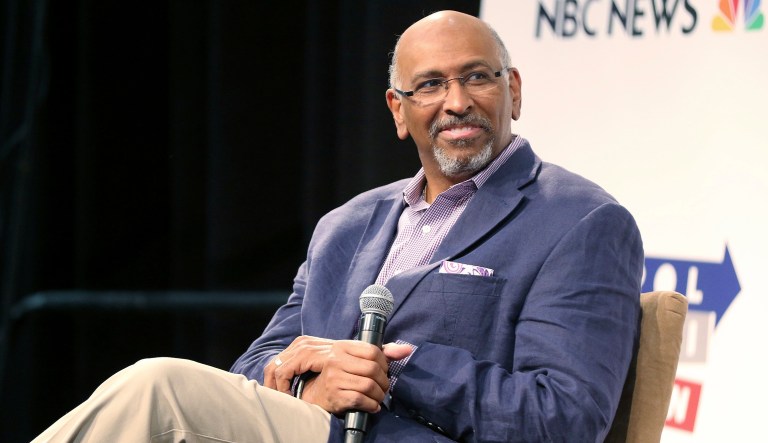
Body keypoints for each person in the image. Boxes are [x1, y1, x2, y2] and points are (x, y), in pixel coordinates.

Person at [33, 9, 643, 443]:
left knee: (160, 390)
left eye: (476, 76)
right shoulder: (348, 224)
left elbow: (563, 419)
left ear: (512, 89)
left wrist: (394, 369)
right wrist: (305, 389)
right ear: (398, 112)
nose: (456, 100)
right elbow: (261, 365)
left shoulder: (580, 220)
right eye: (429, 85)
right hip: (313, 431)